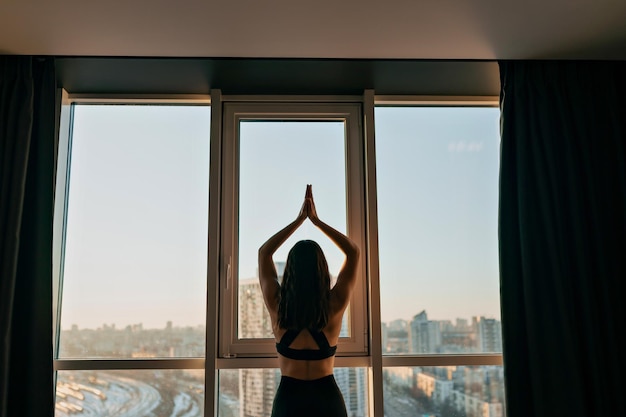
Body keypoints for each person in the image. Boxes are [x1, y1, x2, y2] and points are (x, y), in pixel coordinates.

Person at [258, 184, 360, 417]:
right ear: (322, 270)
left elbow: (264, 253)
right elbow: (353, 252)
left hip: (289, 401)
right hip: (327, 400)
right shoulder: (333, 306)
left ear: (290, 271)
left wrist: (298, 221)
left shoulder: (278, 306)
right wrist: (315, 221)